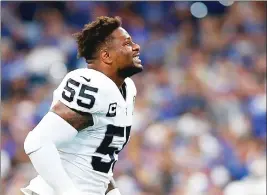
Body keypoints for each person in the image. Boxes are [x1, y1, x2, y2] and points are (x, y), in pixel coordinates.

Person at [20, 16, 143, 195]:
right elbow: (37, 142)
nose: (136, 47)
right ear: (106, 56)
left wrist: (112, 192)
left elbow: (97, 155)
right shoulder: (90, 83)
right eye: (127, 43)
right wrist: (68, 192)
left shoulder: (127, 89)